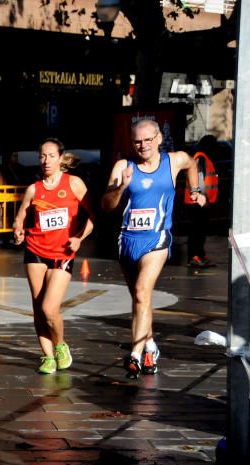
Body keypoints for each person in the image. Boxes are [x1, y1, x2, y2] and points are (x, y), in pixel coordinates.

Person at [102, 119, 204, 377]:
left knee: (141, 290)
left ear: (159, 139)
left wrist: (195, 189)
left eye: (148, 140)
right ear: (131, 143)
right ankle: (150, 345)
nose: (143, 145)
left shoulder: (174, 160)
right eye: (138, 141)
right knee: (139, 299)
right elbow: (106, 205)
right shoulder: (123, 167)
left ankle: (135, 354)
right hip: (128, 240)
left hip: (157, 238)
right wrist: (121, 187)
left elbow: (192, 164)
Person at [12, 138, 95, 374]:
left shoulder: (74, 184)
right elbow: (20, 217)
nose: (45, 161)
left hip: (63, 253)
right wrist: (18, 229)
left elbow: (93, 215)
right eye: (42, 156)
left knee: (50, 308)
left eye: (50, 156)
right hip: (35, 250)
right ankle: (47, 356)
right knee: (38, 308)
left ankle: (60, 346)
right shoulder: (33, 189)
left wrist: (79, 237)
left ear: (60, 158)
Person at [185, 135, 219, 268]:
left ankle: (200, 254)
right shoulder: (201, 158)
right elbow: (199, 179)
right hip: (198, 202)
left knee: (200, 230)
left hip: (199, 202)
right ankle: (195, 256)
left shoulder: (203, 158)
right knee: (197, 231)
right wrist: (203, 199)